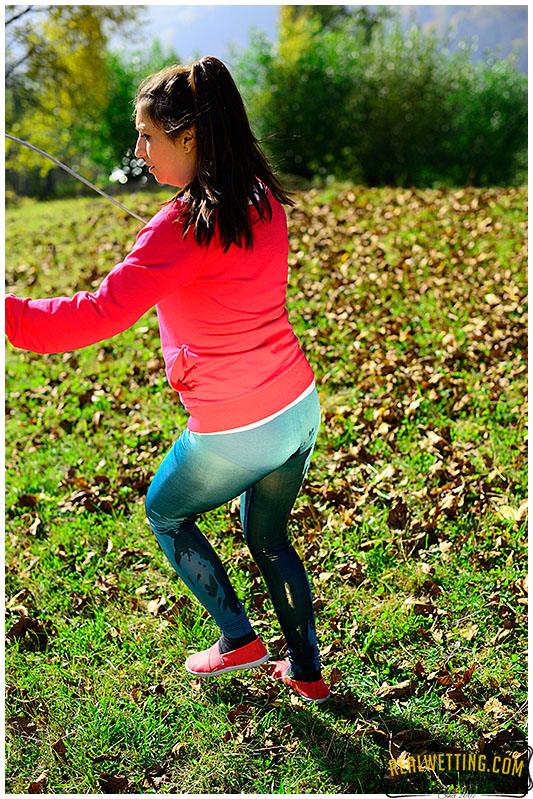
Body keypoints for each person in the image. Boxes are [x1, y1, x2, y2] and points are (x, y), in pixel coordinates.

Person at [5, 57, 331, 704]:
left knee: (164, 508)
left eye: (147, 136)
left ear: (190, 137)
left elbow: (97, 314)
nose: (138, 150)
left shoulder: (181, 225)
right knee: (267, 538)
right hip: (297, 406)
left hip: (236, 428)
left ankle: (238, 637)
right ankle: (308, 673)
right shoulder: (262, 199)